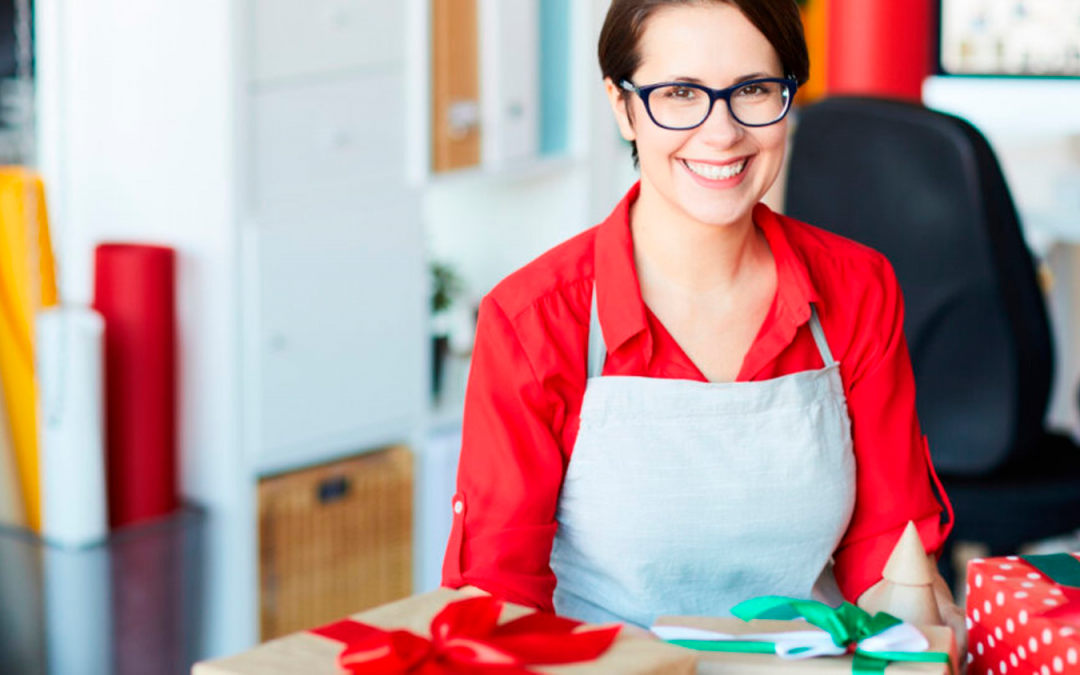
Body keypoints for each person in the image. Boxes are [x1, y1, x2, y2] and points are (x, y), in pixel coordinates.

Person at [442, 0, 966, 645]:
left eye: (752, 90)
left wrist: (918, 630)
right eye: (681, 94)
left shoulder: (856, 289)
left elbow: (890, 543)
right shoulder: (534, 321)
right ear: (622, 105)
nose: (721, 134)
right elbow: (498, 596)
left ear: (789, 97)